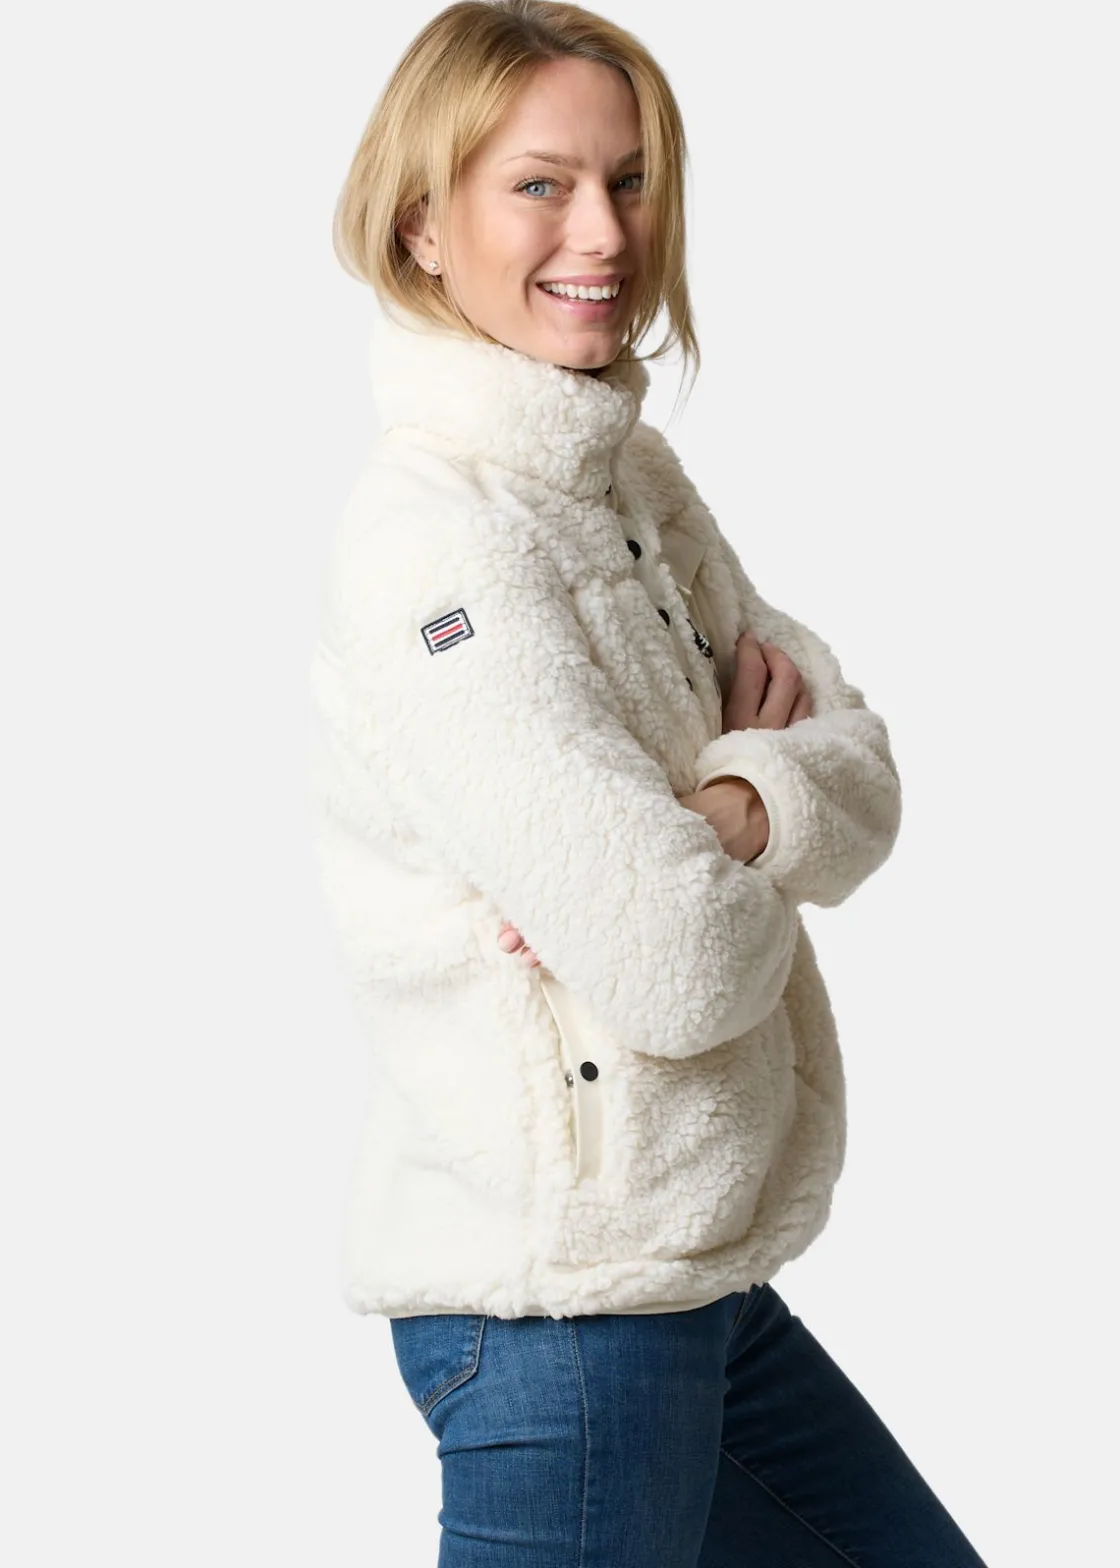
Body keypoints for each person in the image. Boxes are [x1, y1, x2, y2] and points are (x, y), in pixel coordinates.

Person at [308, 3, 988, 1562]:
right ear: (422, 223)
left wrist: (729, 807)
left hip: (692, 1283)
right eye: (539, 186)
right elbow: (674, 964)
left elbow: (863, 769)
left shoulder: (625, 483)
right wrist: (734, 834)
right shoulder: (441, 548)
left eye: (628, 181)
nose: (604, 234)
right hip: (561, 1315)